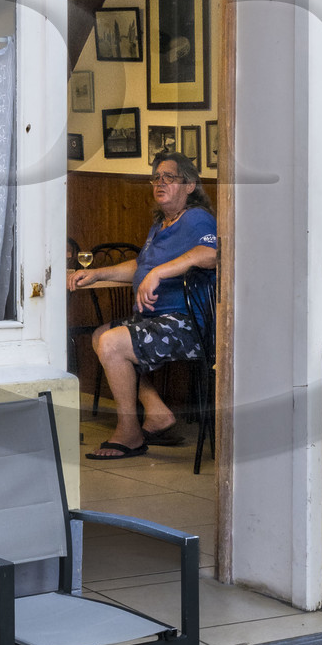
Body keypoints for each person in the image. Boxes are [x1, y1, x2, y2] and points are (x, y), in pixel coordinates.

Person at [68, 152, 217, 460]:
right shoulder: (162, 224)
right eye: (156, 178)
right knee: (101, 335)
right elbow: (140, 265)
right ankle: (156, 411)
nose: (160, 183)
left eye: (170, 178)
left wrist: (158, 273)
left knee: (111, 342)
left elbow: (212, 254)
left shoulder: (196, 218)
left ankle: (129, 432)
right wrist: (97, 273)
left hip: (188, 324)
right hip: (156, 320)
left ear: (189, 186)